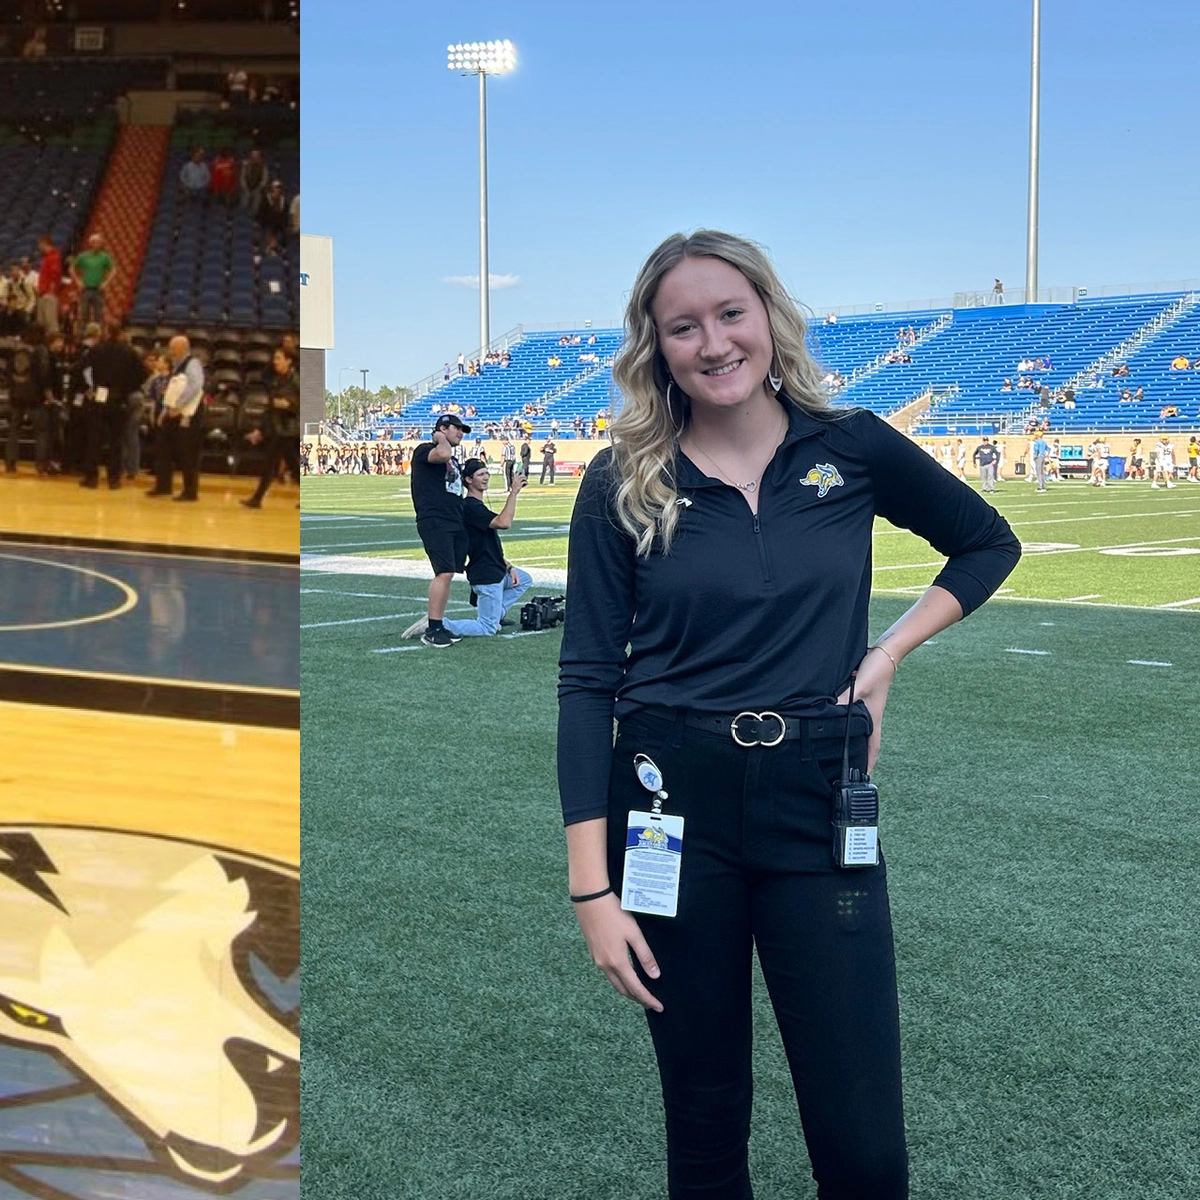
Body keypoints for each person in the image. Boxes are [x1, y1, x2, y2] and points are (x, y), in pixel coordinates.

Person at [557, 230, 1020, 1200]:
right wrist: (592, 891)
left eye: (731, 313)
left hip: (819, 801)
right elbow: (588, 682)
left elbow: (987, 542)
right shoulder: (620, 480)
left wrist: (886, 655)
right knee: (705, 1128)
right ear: (656, 346)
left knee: (863, 1146)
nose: (713, 342)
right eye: (683, 326)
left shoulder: (850, 445)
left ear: (768, 315)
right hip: (667, 810)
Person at [404, 459, 531, 639]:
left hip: (496, 569)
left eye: (486, 473)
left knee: (524, 579)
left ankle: (496, 614)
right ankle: (439, 624)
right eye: (480, 474)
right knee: (487, 628)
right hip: (486, 573)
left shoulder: (475, 505)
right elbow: (504, 522)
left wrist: (508, 566)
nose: (486, 477)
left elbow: (486, 544)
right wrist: (514, 492)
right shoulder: (470, 506)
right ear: (469, 480)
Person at [405, 414, 471, 648]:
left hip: (454, 518)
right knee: (443, 572)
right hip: (435, 518)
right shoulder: (425, 450)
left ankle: (438, 623)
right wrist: (439, 438)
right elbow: (442, 454)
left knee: (449, 572)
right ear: (442, 428)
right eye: (456, 428)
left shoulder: (453, 457)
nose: (461, 433)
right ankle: (433, 629)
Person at [83, 323, 146, 490]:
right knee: (116, 440)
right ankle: (114, 479)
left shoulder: (97, 349)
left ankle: (91, 477)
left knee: (94, 438)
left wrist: (91, 387)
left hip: (99, 395)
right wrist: (127, 389)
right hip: (119, 398)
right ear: (121, 333)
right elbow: (142, 374)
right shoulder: (129, 351)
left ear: (107, 332)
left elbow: (85, 370)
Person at [147, 335, 205, 501]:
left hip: (188, 414)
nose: (170, 351)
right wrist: (165, 411)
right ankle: (163, 486)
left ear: (182, 348)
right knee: (163, 447)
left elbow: (195, 385)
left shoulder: (192, 364)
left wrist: (178, 405)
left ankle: (190, 492)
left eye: (173, 348)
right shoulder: (177, 365)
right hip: (173, 412)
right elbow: (173, 390)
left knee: (188, 453)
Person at [242, 347, 300, 508]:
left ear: (289, 361)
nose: (275, 362)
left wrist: (289, 406)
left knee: (270, 464)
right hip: (277, 428)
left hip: (288, 429)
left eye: (279, 358)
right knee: (291, 464)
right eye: (275, 358)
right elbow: (271, 408)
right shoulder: (277, 379)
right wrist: (260, 429)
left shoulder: (296, 380)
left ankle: (257, 499)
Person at [71, 234, 117, 330]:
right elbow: (72, 268)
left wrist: (106, 283)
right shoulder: (83, 256)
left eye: (99, 242)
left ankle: (97, 335)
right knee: (84, 315)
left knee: (98, 315)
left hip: (98, 290)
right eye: (95, 242)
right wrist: (78, 281)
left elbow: (113, 270)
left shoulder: (105, 257)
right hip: (85, 289)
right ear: (91, 243)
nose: (97, 244)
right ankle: (83, 335)